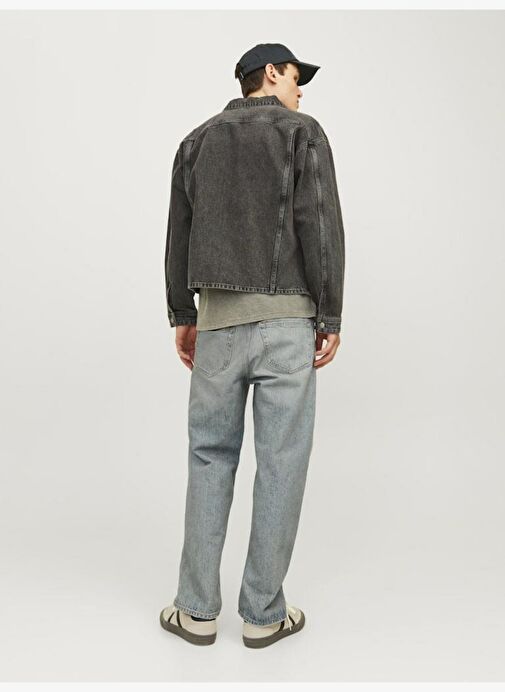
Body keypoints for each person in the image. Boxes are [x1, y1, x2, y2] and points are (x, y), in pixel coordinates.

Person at [159, 42, 346, 648]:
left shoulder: (196, 142)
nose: (300, 89)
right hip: (287, 326)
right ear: (270, 73)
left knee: (208, 457)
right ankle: (264, 614)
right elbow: (319, 223)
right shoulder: (302, 133)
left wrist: (184, 313)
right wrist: (330, 312)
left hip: (216, 326)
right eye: (295, 77)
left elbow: (178, 234)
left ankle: (195, 610)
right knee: (282, 463)